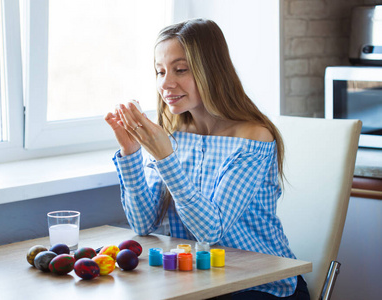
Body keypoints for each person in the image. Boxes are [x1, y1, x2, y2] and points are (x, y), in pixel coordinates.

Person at [104, 19, 309, 299]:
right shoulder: (172, 132)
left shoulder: (254, 137)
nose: (165, 83)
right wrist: (131, 153)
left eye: (180, 70)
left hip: (259, 285)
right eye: (160, 71)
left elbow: (209, 230)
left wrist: (165, 157)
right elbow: (142, 223)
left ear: (211, 70)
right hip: (196, 283)